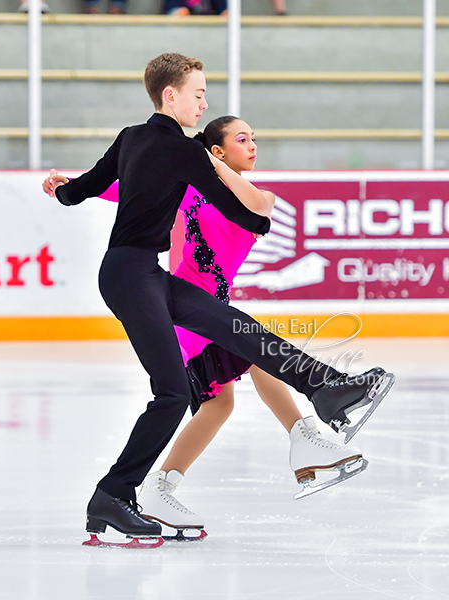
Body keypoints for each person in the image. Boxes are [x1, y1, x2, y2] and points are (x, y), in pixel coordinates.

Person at [42, 52, 393, 547]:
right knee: (172, 394)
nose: (203, 103)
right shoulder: (184, 151)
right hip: (131, 276)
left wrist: (60, 190)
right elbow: (246, 214)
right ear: (171, 95)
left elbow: (86, 188)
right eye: (199, 94)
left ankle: (328, 389)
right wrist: (242, 201)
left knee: (239, 329)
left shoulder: (132, 138)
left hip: (142, 274)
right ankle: (114, 495)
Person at [98, 116, 368, 539]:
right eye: (243, 139)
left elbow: (259, 204)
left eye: (254, 138)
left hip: (207, 310)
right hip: (184, 308)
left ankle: (161, 487)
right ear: (218, 150)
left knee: (219, 405)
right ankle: (304, 438)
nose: (253, 145)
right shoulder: (186, 186)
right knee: (254, 356)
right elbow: (122, 185)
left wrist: (207, 162)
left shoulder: (250, 195)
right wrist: (70, 184)